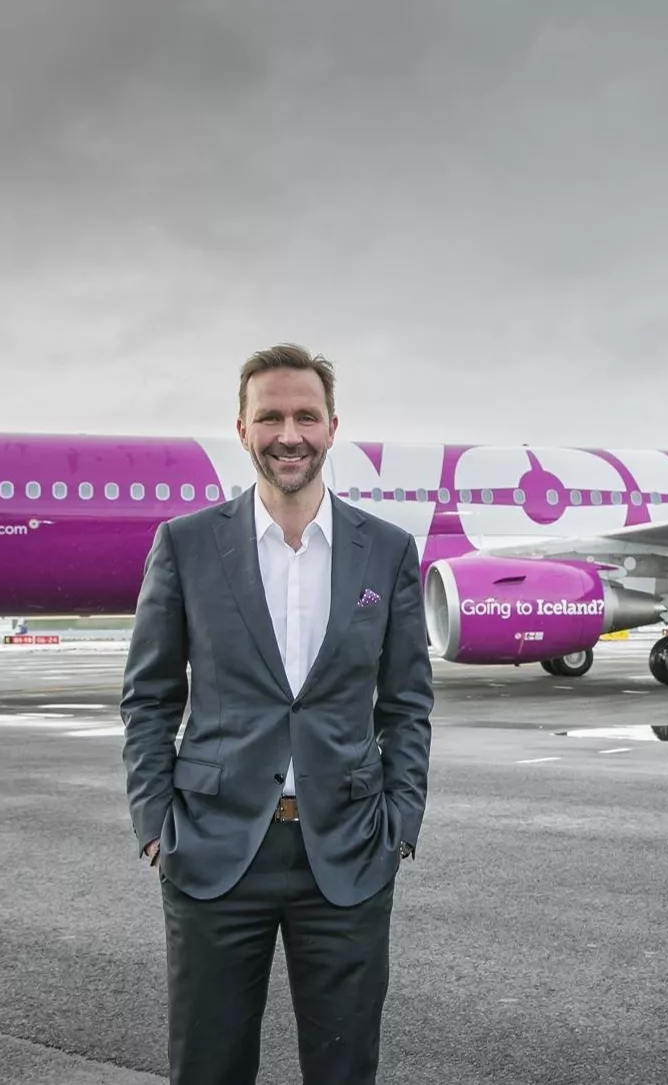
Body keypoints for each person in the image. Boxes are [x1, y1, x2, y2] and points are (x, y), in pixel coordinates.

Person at [121, 343, 433, 1085]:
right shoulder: (186, 545)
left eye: (305, 416)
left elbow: (407, 701)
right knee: (209, 1068)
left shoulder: (387, 551)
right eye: (270, 417)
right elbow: (149, 696)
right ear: (242, 428)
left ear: (332, 428)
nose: (288, 435)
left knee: (344, 1069)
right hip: (213, 850)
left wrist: (400, 823)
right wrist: (155, 827)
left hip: (349, 852)